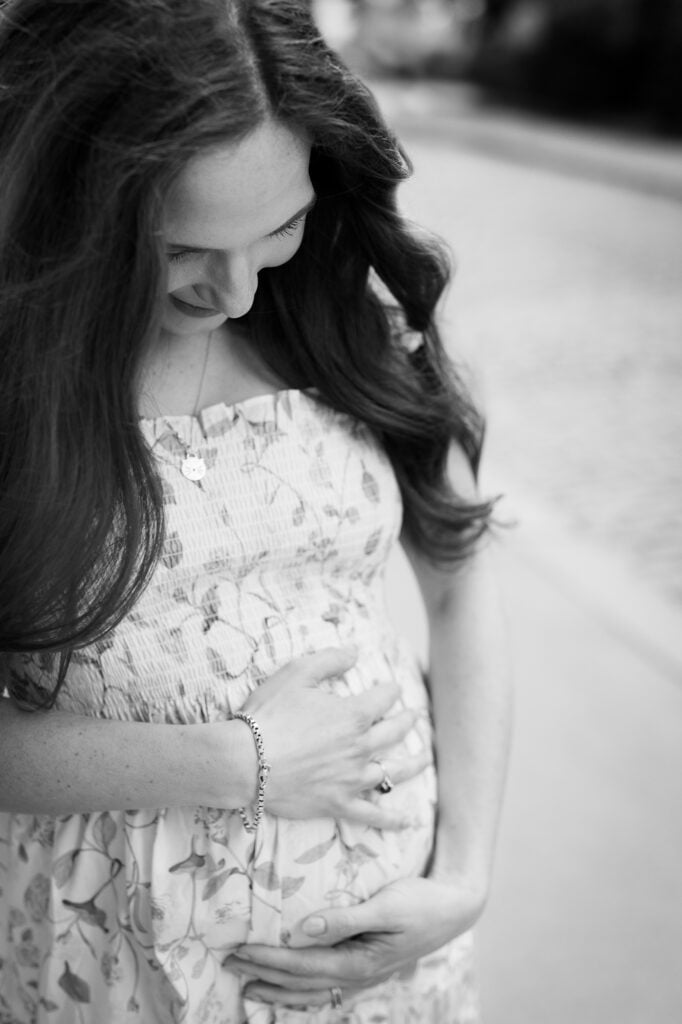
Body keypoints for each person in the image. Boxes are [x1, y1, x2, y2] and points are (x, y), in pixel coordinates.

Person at [0, 1, 511, 1021]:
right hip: (120, 978)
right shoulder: (21, 386)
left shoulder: (337, 320)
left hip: (392, 976)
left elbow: (459, 581)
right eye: (181, 247)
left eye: (278, 225)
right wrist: (241, 761)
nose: (236, 290)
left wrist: (461, 876)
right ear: (77, 208)